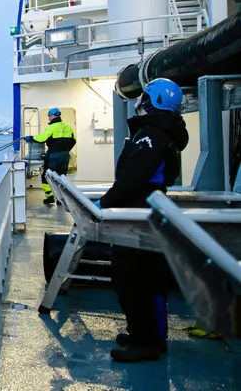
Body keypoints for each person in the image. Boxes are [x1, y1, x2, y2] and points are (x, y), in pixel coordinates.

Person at [96, 78, 188, 362]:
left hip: (138, 215)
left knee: (135, 278)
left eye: (143, 97)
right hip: (143, 211)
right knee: (144, 277)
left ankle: (146, 342)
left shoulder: (151, 136)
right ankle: (145, 335)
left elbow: (132, 179)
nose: (137, 102)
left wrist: (103, 204)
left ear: (153, 103)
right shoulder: (159, 133)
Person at [24, 107, 76, 205]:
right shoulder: (68, 127)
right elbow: (73, 141)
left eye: (49, 116)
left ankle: (50, 197)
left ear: (52, 116)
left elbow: (41, 139)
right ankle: (61, 199)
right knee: (62, 177)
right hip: (65, 155)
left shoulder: (51, 127)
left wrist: (30, 137)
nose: (48, 118)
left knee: (46, 176)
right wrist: (66, 150)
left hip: (54, 156)